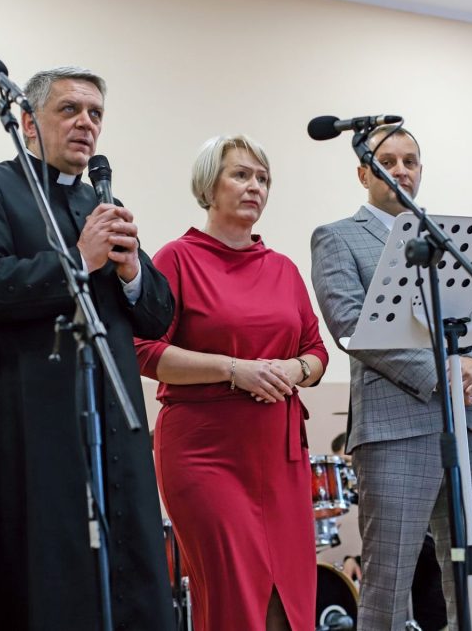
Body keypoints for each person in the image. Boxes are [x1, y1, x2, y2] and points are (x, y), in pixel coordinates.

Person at [0, 65, 175, 630]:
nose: (86, 123)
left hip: (113, 423)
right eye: (69, 109)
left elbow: (157, 315)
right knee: (44, 571)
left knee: (128, 574)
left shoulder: (101, 202)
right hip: (30, 421)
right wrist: (78, 260)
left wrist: (131, 271)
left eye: (95, 113)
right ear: (27, 122)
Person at [134, 135, 329, 631]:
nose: (255, 186)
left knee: (288, 604)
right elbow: (144, 350)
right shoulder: (177, 259)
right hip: (206, 454)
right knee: (236, 599)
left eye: (263, 178)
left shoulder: (283, 269)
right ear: (208, 186)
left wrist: (293, 370)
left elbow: (317, 352)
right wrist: (234, 369)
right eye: (241, 174)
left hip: (280, 456)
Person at [310, 125, 472, 630]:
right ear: (363, 173)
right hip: (393, 428)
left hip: (465, 420)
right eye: (387, 161)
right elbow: (351, 327)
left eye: (409, 161)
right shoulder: (337, 237)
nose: (400, 171)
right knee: (388, 586)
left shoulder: (448, 236)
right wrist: (442, 374)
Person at [330, 433, 448, 631]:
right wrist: (354, 560)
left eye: (348, 463)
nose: (345, 473)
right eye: (341, 466)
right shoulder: (370, 501)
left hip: (431, 605)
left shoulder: (406, 494)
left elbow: (409, 549)